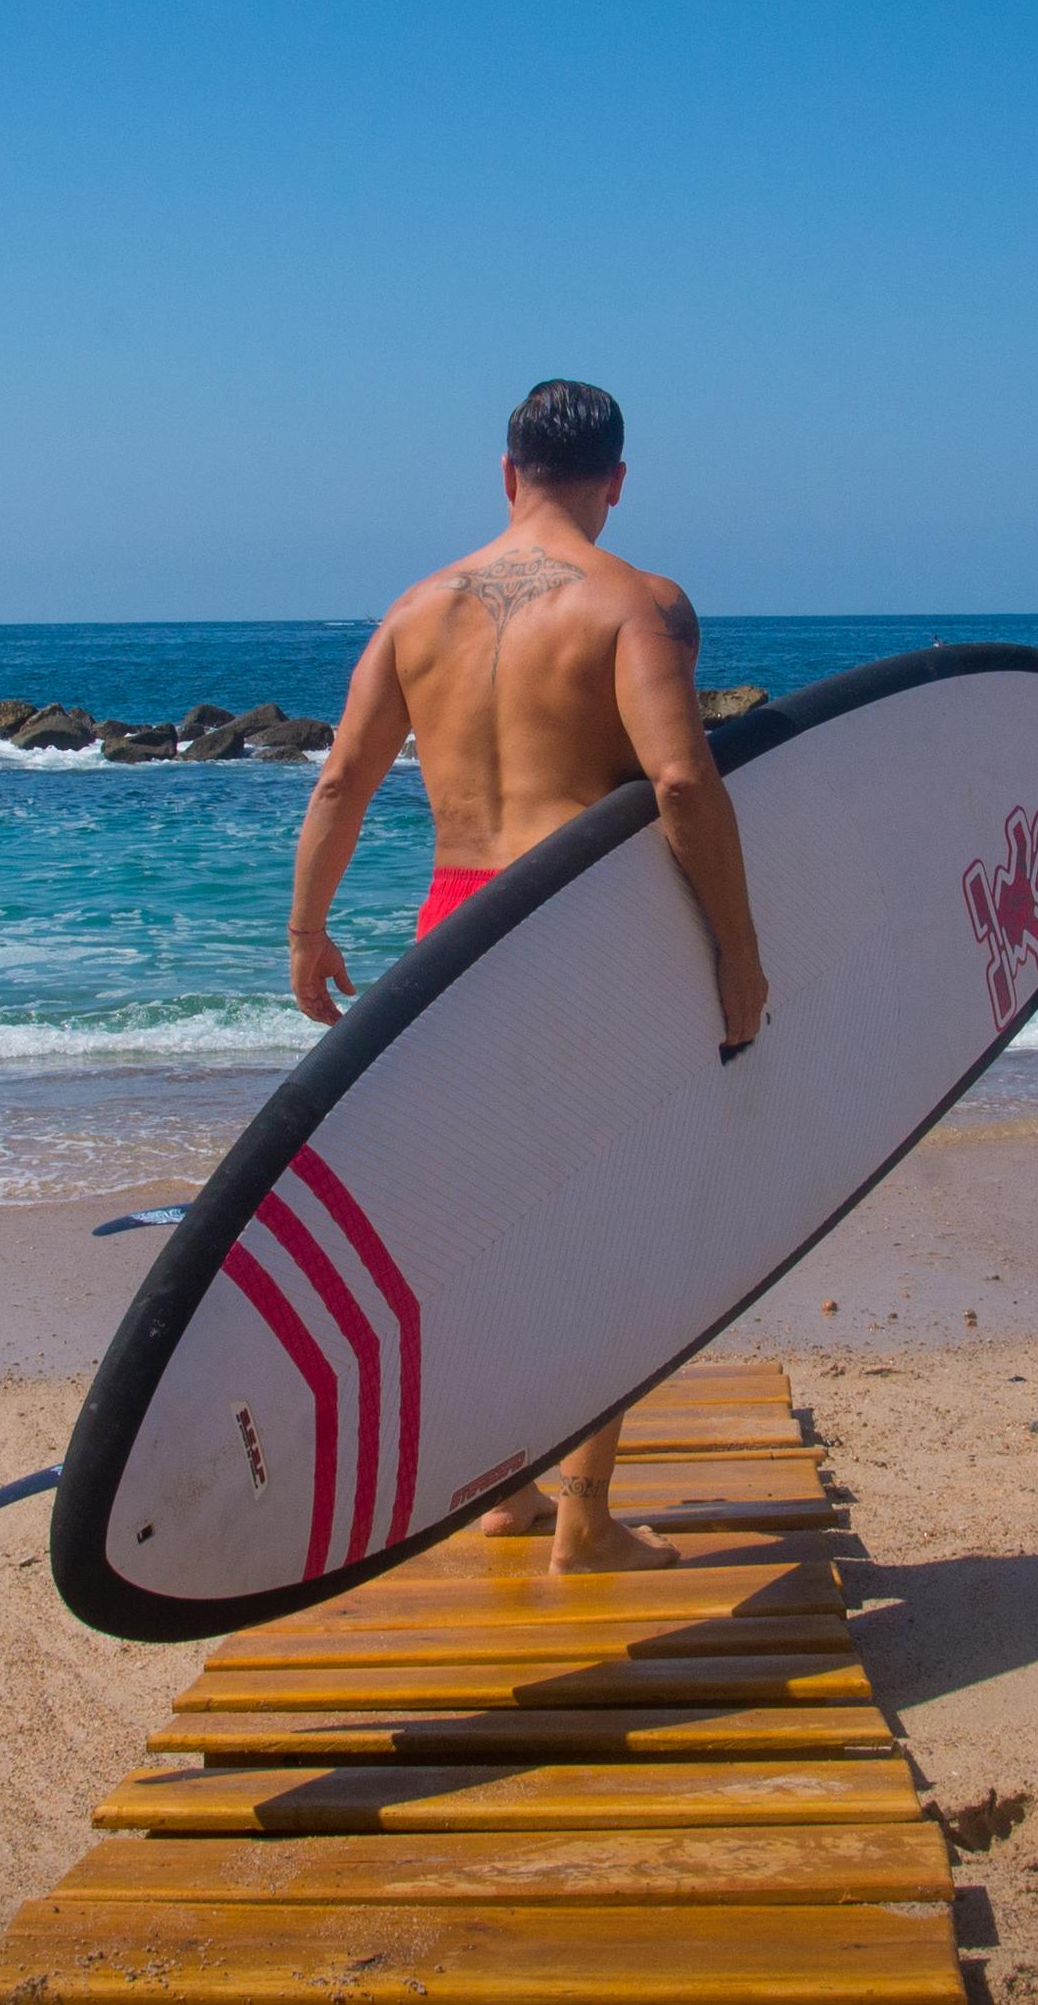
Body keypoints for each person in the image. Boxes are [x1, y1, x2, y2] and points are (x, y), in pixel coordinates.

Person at [284, 379, 770, 1573]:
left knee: (487, 1223)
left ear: (504, 474)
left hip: (449, 932)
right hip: (576, 937)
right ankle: (586, 1517)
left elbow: (342, 780)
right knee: (615, 1222)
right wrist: (741, 952)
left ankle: (495, 1487)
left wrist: (306, 929)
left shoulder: (415, 610)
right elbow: (681, 785)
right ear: (615, 482)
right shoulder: (637, 604)